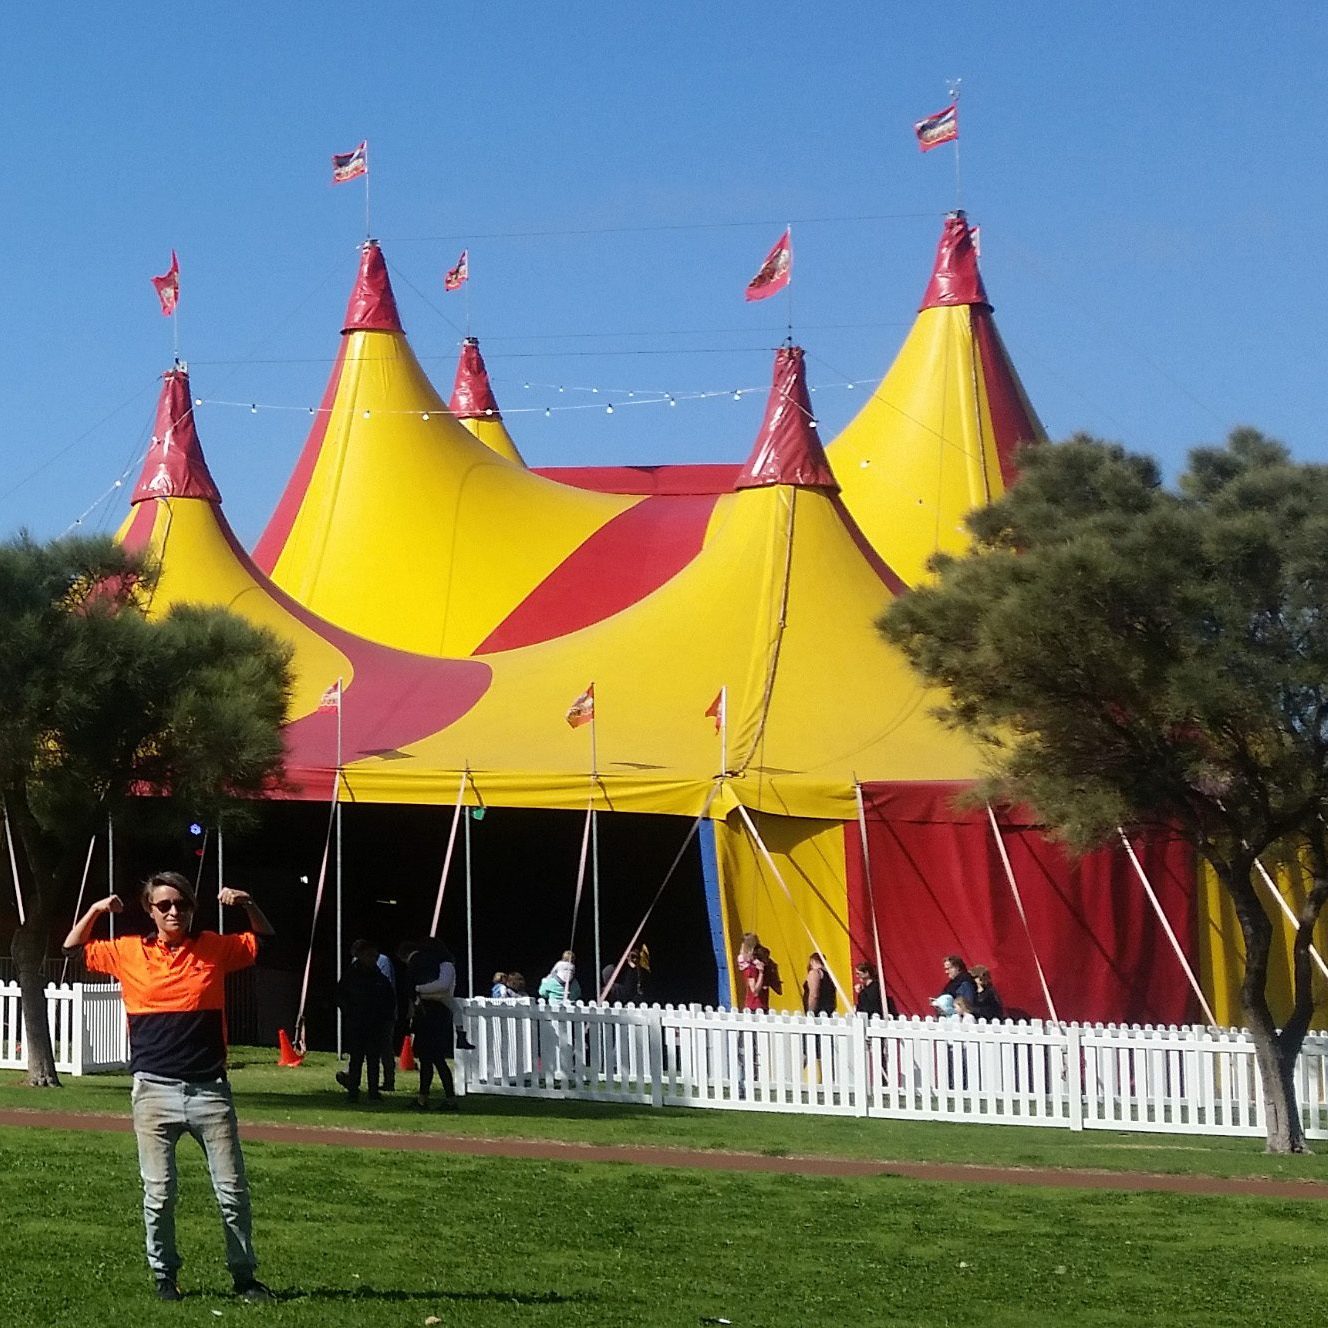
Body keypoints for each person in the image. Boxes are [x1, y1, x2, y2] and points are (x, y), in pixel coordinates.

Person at [63, 872, 275, 1303]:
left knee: (232, 1192)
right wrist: (96, 910)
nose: (174, 912)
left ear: (193, 907)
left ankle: (244, 1278)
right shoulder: (127, 952)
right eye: (164, 905)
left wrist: (248, 903)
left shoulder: (214, 947)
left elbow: (266, 944)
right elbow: (71, 951)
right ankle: (164, 1276)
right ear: (150, 910)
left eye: (182, 904)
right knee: (159, 1193)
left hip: (210, 1092)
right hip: (153, 1093)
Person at [398, 938, 462, 1112]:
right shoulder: (436, 965)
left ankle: (449, 1098)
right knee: (427, 1059)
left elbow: (442, 989)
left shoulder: (442, 966)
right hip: (430, 1014)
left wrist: (418, 989)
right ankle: (424, 1098)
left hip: (434, 1014)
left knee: (436, 1059)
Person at [335, 939, 396, 1103]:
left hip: (376, 1024)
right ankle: (353, 1092)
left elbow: (389, 999)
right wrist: (349, 1012)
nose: (373, 959)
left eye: (375, 956)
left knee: (373, 1059)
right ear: (360, 956)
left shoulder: (380, 977)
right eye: (369, 955)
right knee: (356, 1059)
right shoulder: (351, 976)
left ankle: (373, 1091)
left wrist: (386, 1018)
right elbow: (340, 995)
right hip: (356, 1023)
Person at [374, 944, 398, 1091]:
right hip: (369, 1012)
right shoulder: (357, 963)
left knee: (385, 1047)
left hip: (383, 1014)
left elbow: (388, 987)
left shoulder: (382, 961)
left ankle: (389, 1081)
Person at [801, 952, 837, 1016]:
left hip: (818, 1012)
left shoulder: (815, 972)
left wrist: (810, 1012)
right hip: (828, 1011)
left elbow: (814, 995)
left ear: (812, 961)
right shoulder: (829, 975)